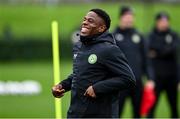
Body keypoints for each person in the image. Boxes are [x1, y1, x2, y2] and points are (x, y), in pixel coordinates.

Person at [52, 8, 136, 118]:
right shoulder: (79, 46)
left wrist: (97, 88)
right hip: (76, 113)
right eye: (85, 19)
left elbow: (128, 79)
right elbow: (80, 74)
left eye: (90, 21)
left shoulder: (109, 49)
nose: (85, 22)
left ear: (101, 28)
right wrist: (62, 85)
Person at [113, 6, 154, 118]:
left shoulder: (139, 36)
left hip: (137, 81)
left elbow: (146, 59)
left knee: (137, 113)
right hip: (119, 82)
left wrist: (150, 78)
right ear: (121, 18)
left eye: (131, 16)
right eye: (127, 16)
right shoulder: (113, 36)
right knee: (116, 112)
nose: (129, 19)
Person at [147, 12, 179, 118]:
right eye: (162, 21)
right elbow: (149, 51)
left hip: (172, 78)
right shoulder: (151, 36)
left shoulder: (173, 35)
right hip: (156, 78)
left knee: (174, 107)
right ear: (157, 22)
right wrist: (165, 50)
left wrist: (157, 52)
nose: (164, 24)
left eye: (166, 21)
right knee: (151, 107)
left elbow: (173, 50)